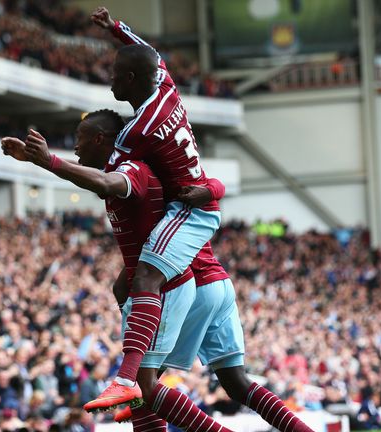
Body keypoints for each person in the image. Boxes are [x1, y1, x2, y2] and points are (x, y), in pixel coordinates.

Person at [3, 110, 313, 432]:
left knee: (143, 388)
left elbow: (107, 184)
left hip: (183, 283)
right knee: (234, 383)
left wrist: (50, 162)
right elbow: (210, 184)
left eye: (81, 138)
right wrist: (212, 190)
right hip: (215, 280)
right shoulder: (155, 167)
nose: (76, 146)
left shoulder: (133, 169)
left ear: (101, 139)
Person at [84, 7, 226, 410]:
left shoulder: (135, 133)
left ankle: (127, 377)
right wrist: (115, 29)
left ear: (129, 79)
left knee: (145, 273)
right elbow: (147, 50)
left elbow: (110, 179)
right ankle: (135, 379)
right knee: (125, 284)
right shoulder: (165, 85)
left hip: (189, 212)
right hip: (198, 203)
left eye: (114, 74)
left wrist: (50, 163)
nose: (109, 78)